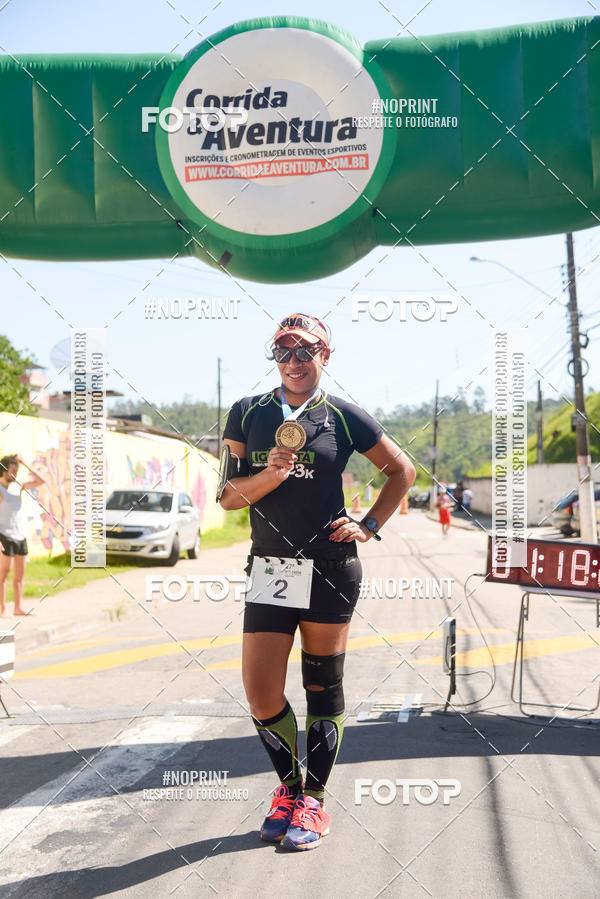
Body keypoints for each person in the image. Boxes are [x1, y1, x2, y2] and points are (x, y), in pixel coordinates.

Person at [218, 313, 416, 851]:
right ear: (274, 358)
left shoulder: (343, 417)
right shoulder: (247, 412)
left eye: (306, 351)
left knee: (321, 687)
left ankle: (313, 800)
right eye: (284, 351)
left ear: (326, 355)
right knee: (261, 693)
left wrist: (368, 524)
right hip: (271, 568)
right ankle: (288, 789)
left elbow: (402, 471)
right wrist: (270, 473)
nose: (295, 361)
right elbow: (228, 498)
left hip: (330, 567)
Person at [0, 455, 45, 616]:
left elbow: (41, 481)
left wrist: (24, 463)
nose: (15, 474)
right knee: (4, 572)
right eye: (12, 471)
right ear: (4, 470)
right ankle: (2, 608)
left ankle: (17, 608)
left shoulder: (18, 486)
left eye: (16, 471)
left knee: (19, 576)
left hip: (20, 535)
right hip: (4, 536)